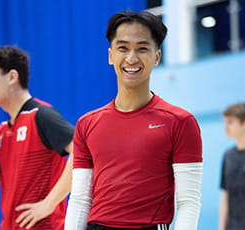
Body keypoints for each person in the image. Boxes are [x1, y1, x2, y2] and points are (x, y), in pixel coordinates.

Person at [65, 11, 203, 230]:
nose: (131, 58)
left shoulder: (180, 122)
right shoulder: (87, 124)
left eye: (142, 49)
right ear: (111, 55)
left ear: (156, 57)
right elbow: (81, 200)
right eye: (123, 48)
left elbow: (188, 202)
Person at [0, 45, 74, 230]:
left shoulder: (40, 115)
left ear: (12, 77)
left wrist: (49, 203)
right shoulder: (2, 130)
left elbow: (82, 151)